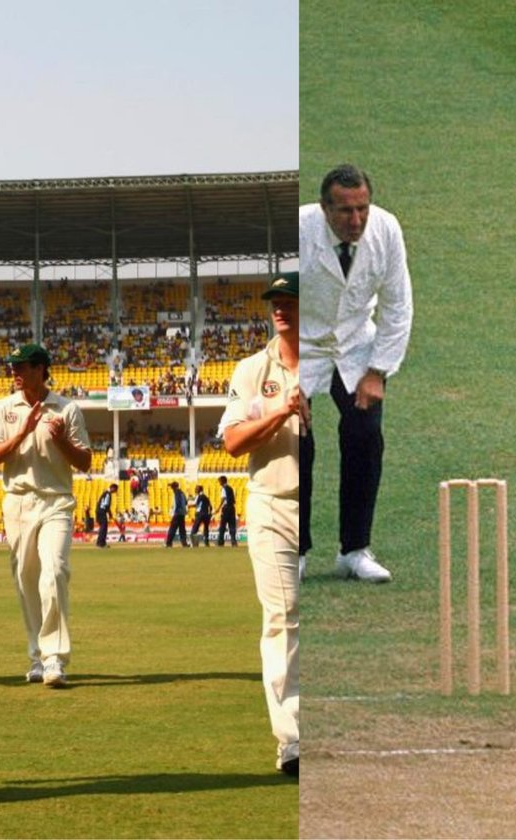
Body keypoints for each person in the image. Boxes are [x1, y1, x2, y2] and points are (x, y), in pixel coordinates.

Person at [298, 164, 412, 583]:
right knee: (294, 443)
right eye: (345, 211)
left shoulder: (386, 230)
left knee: (365, 434)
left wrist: (378, 371)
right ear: (324, 208)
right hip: (302, 346)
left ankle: (355, 549)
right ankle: (296, 552)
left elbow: (398, 305)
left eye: (362, 208)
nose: (356, 220)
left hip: (356, 343)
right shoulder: (297, 232)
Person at [219, 271, 306, 776]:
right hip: (271, 504)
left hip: (315, 506)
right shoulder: (253, 370)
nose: (280, 309)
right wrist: (280, 412)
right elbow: (233, 442)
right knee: (283, 618)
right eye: (275, 302)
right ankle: (293, 742)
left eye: (290, 300)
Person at [0, 342, 93, 688]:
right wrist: (22, 433)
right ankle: (36, 657)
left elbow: (85, 462)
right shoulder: (4, 409)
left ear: (42, 368)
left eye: (24, 366)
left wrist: (60, 441)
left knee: (55, 572)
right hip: (17, 503)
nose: (15, 372)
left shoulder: (66, 408)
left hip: (55, 501)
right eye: (12, 366)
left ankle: (54, 658)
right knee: (27, 582)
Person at [165, 481, 189, 547]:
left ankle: (168, 543)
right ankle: (184, 543)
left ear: (174, 487)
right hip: (182, 514)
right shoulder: (182, 493)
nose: (171, 488)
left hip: (177, 513)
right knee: (182, 529)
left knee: (172, 529)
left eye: (172, 487)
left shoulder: (177, 493)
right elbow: (186, 502)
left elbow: (177, 504)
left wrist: (174, 513)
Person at [216, 474, 238, 547]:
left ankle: (220, 542)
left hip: (226, 508)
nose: (219, 483)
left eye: (219, 481)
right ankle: (233, 541)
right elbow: (234, 500)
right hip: (232, 508)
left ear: (222, 481)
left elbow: (223, 498)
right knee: (232, 525)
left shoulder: (223, 488)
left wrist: (218, 508)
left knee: (222, 525)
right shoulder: (230, 488)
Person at [96, 483, 117, 548]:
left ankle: (101, 542)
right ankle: (101, 543)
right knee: (104, 527)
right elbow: (106, 504)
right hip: (102, 511)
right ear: (112, 488)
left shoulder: (105, 493)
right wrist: (110, 514)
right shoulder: (108, 494)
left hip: (99, 511)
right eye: (115, 489)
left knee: (103, 527)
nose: (115, 491)